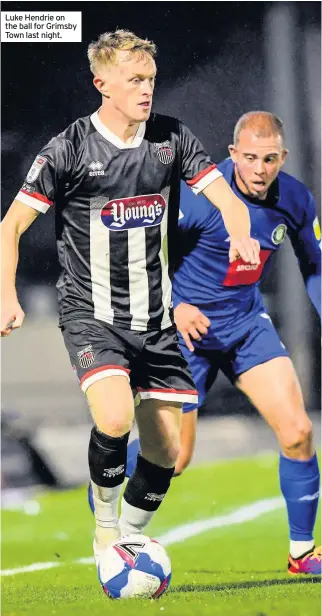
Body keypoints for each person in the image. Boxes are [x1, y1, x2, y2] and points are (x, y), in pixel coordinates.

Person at [0, 30, 259, 585]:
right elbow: (11, 227)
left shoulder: (171, 138)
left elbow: (223, 197)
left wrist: (240, 230)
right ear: (102, 84)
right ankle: (107, 530)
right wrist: (5, 294)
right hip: (91, 313)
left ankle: (133, 535)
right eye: (135, 80)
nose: (147, 91)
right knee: (114, 417)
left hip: (156, 319)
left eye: (151, 80)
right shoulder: (67, 149)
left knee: (165, 452)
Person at [100, 111, 321, 576]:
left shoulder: (296, 199)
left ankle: (302, 555)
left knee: (299, 432)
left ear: (284, 157)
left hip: (245, 324)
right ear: (233, 154)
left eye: (270, 159)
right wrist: (177, 306)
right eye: (251, 159)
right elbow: (146, 255)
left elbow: (314, 266)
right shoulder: (200, 197)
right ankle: (110, 466)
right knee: (175, 459)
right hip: (186, 334)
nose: (260, 169)